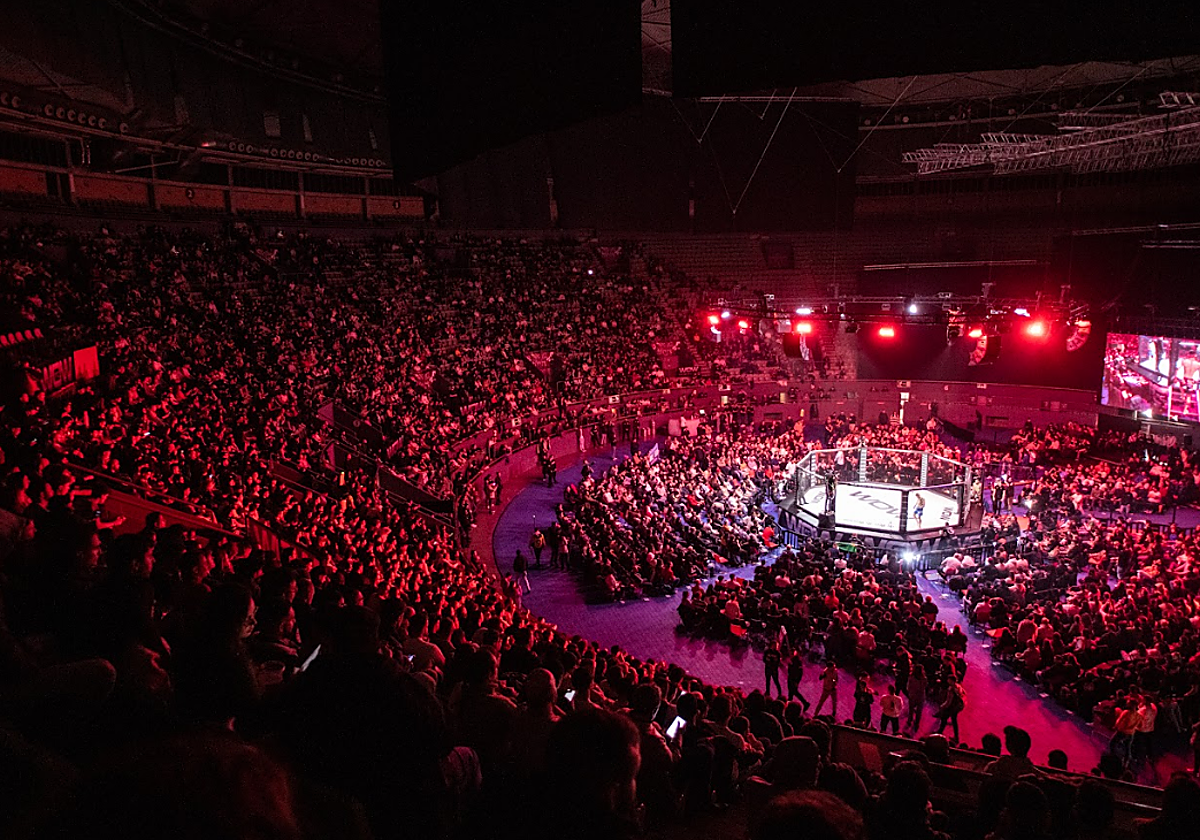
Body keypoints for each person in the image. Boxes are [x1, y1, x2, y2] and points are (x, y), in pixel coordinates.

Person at [934, 677, 965, 743]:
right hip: (956, 707)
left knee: (944, 719)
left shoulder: (951, 689)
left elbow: (949, 701)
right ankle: (956, 737)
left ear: (951, 680)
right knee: (954, 721)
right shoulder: (958, 686)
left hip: (951, 707)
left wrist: (942, 706)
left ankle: (939, 733)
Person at [905, 664, 928, 735]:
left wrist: (909, 692)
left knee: (911, 709)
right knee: (919, 711)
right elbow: (925, 686)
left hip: (912, 695)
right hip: (920, 696)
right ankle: (917, 723)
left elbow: (908, 686)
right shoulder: (924, 678)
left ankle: (909, 720)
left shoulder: (911, 677)